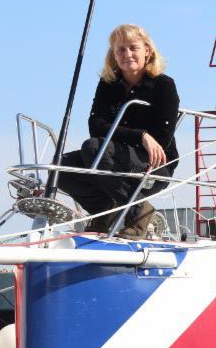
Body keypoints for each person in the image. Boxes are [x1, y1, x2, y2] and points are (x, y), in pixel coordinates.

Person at [58, 24, 180, 239]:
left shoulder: (164, 85)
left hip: (154, 164)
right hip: (110, 157)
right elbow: (96, 126)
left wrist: (136, 139)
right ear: (113, 55)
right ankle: (106, 212)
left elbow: (161, 138)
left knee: (94, 147)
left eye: (133, 48)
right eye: (120, 50)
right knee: (59, 167)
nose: (127, 54)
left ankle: (139, 212)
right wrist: (140, 136)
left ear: (147, 51)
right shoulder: (108, 85)